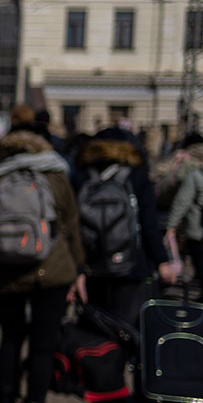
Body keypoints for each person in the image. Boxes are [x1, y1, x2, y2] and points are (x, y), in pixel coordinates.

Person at [0, 130, 85, 403]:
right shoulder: (57, 174)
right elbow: (72, 223)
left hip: (6, 269)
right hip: (53, 268)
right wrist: (79, 269)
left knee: (9, 339)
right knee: (42, 347)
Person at [73, 128, 174, 328]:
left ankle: (99, 358)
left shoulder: (81, 175)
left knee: (97, 326)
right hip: (132, 264)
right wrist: (162, 261)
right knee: (126, 326)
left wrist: (76, 270)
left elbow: (71, 225)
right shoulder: (136, 175)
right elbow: (148, 224)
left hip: (92, 263)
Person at [167, 153, 203, 292]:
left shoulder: (196, 175)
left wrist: (171, 226)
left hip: (196, 230)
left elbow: (182, 202)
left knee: (202, 265)